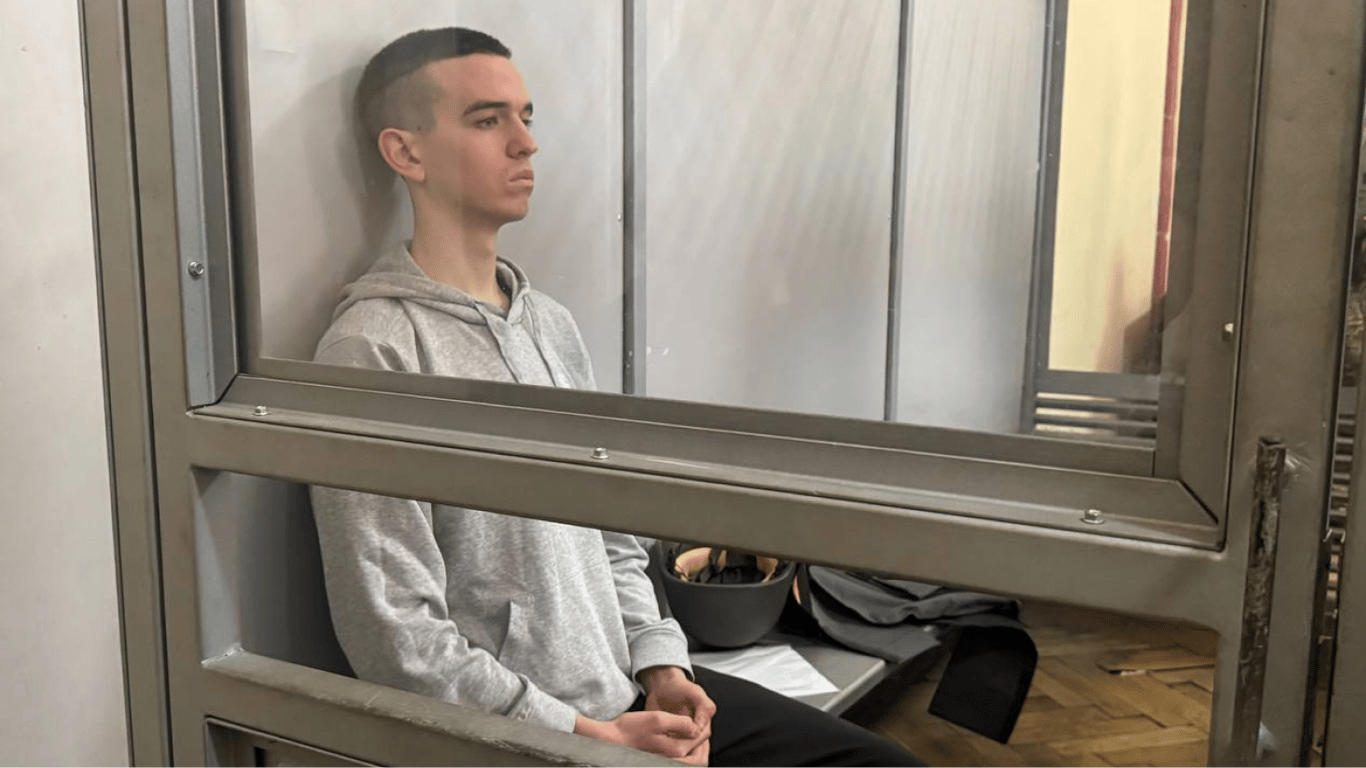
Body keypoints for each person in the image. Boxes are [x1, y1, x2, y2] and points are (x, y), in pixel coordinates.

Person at [310, 26, 926, 768]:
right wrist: (586, 739)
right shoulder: (373, 350)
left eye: (525, 117)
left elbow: (611, 533)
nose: (526, 143)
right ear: (405, 153)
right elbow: (394, 636)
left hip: (628, 697)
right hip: (526, 736)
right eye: (487, 120)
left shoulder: (551, 325)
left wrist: (663, 666)